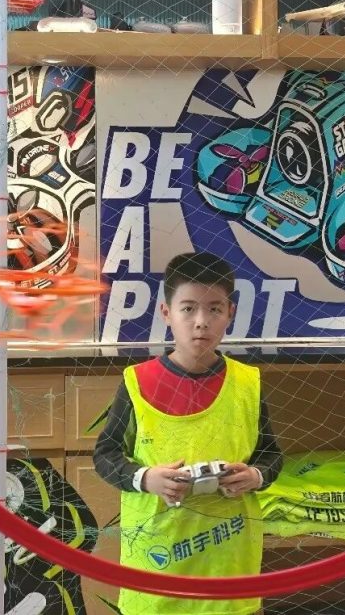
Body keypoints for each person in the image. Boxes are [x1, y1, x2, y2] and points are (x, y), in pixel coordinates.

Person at [93, 252, 283, 615]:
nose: (201, 322)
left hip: (229, 566)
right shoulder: (137, 381)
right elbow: (105, 455)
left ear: (230, 312)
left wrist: (254, 476)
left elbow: (271, 455)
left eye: (214, 309)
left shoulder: (248, 382)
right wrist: (145, 478)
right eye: (188, 308)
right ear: (167, 313)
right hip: (157, 565)